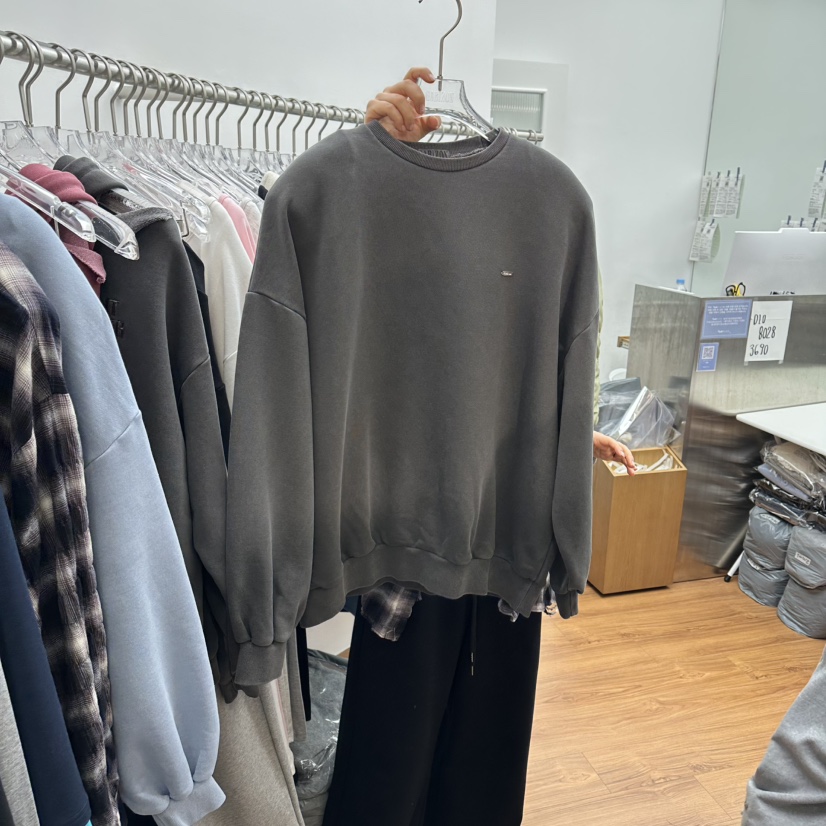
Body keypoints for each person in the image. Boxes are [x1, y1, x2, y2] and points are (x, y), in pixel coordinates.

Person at [365, 68, 636, 476]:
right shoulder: (357, 205)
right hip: (386, 473)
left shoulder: (556, 209)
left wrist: (577, 432)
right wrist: (368, 169)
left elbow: (577, 347)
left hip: (497, 482)